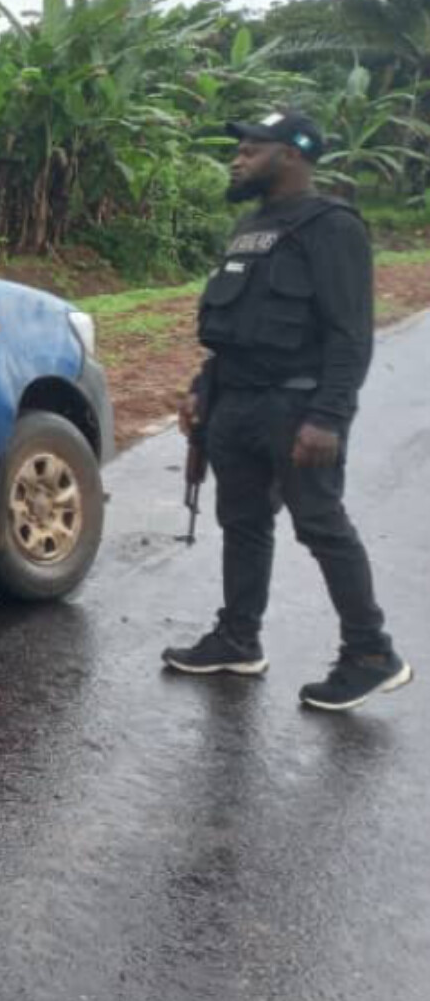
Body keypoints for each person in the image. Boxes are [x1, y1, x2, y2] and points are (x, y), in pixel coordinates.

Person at [161, 110, 409, 710]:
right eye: (239, 148)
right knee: (242, 524)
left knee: (320, 525)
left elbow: (351, 335)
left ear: (293, 154)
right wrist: (201, 387)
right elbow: (234, 326)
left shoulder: (333, 226)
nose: (239, 158)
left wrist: (329, 417)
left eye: (252, 149)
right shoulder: (251, 227)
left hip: (296, 405)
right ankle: (238, 639)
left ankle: (371, 653)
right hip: (235, 403)